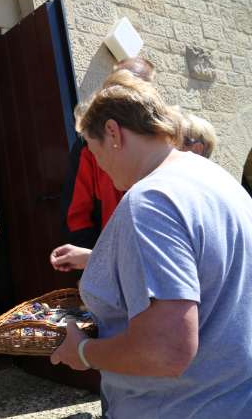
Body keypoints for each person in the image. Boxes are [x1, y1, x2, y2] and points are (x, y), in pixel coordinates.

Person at [50, 74, 252, 418]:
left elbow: (166, 350)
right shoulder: (217, 179)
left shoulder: (151, 201)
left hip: (179, 406)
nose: (97, 163)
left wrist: (83, 353)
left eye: (93, 150)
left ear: (113, 133)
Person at [61, 57, 155, 249]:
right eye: (115, 84)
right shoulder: (89, 144)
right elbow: (77, 215)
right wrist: (93, 267)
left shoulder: (168, 144)